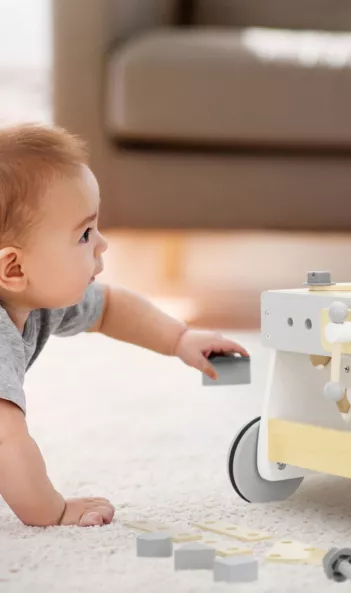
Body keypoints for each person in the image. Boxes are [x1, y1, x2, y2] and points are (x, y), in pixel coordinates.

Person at [0, 123, 249, 527]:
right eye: (83, 234)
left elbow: (109, 307)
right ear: (14, 268)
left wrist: (179, 338)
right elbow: (6, 440)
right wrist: (54, 511)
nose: (102, 243)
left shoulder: (38, 299)